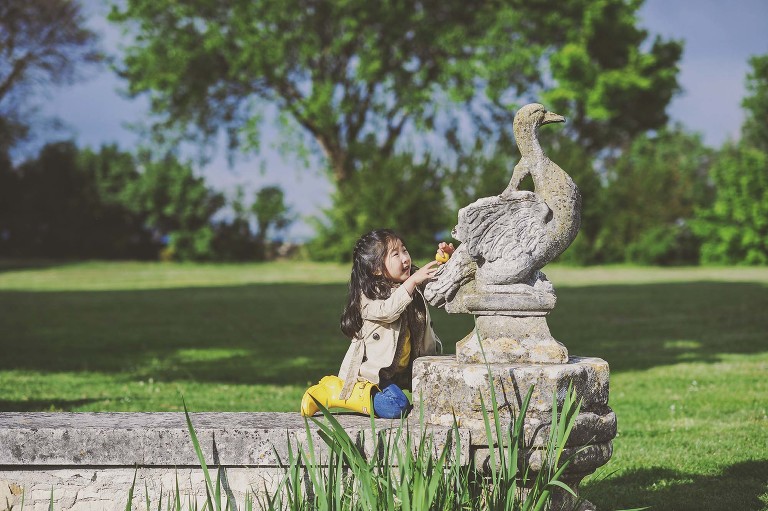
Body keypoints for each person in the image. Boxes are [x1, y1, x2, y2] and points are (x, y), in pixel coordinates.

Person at [300, 229, 452, 419]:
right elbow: (388, 311)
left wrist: (448, 262)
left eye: (404, 250)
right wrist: (412, 282)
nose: (405, 258)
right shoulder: (368, 295)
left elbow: (440, 287)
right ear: (376, 269)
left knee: (443, 393)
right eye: (395, 254)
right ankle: (333, 391)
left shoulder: (411, 282)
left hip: (407, 368)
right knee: (396, 407)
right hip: (374, 375)